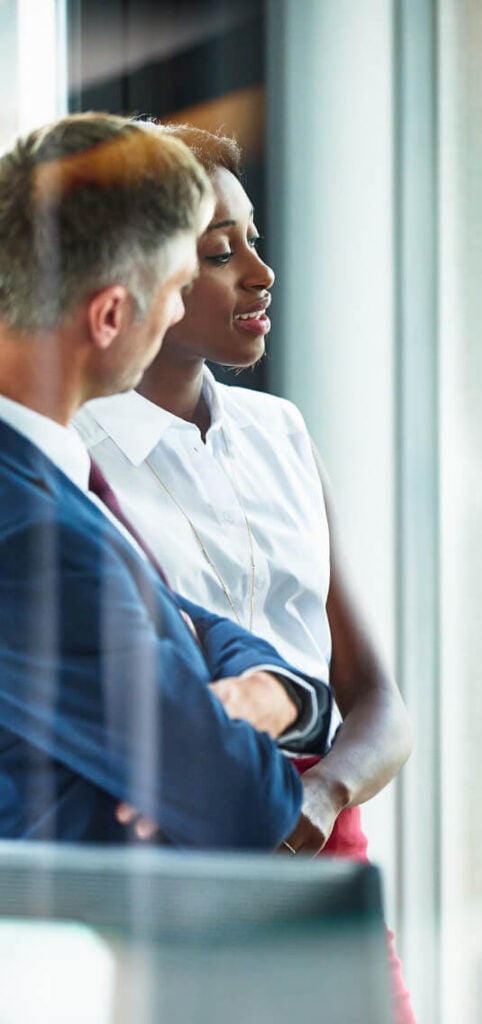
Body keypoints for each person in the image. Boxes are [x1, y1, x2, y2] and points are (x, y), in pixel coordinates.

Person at [73, 123, 415, 1020]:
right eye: (221, 252)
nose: (261, 273)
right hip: (175, 869)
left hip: (323, 848)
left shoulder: (282, 432)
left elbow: (377, 697)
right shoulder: (70, 455)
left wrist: (316, 803)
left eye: (254, 241)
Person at [0, 113, 333, 848]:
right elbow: (240, 800)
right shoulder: (32, 528)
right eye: (180, 285)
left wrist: (272, 690)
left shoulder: (44, 480)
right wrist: (242, 719)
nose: (180, 308)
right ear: (112, 314)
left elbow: (197, 623)